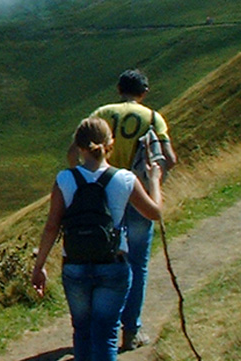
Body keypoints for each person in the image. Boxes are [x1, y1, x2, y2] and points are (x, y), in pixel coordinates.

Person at [32, 117, 163, 361]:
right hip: (113, 265)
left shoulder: (64, 179)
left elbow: (52, 227)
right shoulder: (125, 179)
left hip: (75, 265)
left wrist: (38, 267)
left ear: (78, 147)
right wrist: (154, 179)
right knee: (106, 335)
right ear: (109, 144)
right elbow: (155, 213)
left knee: (82, 332)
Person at [67, 69, 177, 351]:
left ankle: (98, 329)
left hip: (105, 196)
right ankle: (131, 332)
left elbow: (73, 154)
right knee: (137, 265)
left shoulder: (102, 112)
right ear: (144, 92)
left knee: (104, 258)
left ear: (118, 89)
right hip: (137, 193)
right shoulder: (153, 118)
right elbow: (169, 158)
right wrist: (153, 180)